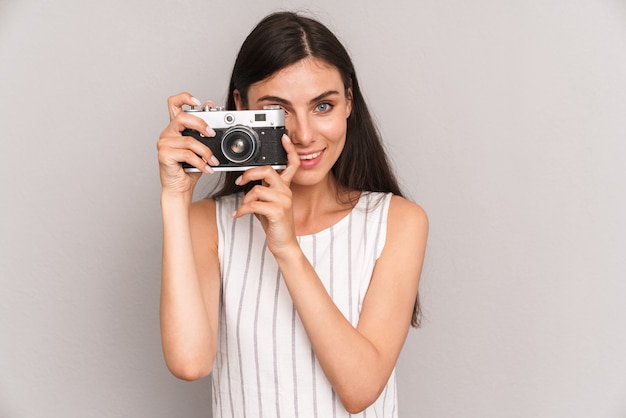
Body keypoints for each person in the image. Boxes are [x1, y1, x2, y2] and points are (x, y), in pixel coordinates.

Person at [157, 11, 428, 418]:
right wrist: (174, 199)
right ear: (241, 107)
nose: (303, 134)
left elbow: (361, 388)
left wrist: (287, 248)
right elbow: (189, 363)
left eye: (323, 105)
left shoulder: (398, 221)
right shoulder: (207, 225)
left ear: (349, 102)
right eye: (278, 110)